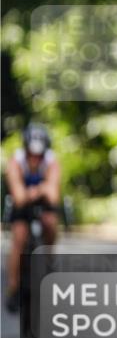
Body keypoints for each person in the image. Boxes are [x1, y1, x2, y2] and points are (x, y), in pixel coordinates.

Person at [5, 123, 61, 312]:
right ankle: (14, 288)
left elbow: (53, 195)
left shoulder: (52, 162)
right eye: (32, 155)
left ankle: (48, 258)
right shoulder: (15, 162)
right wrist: (41, 189)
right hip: (21, 207)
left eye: (39, 155)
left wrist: (33, 192)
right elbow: (19, 198)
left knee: (51, 223)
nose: (35, 160)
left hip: (42, 204)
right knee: (19, 238)